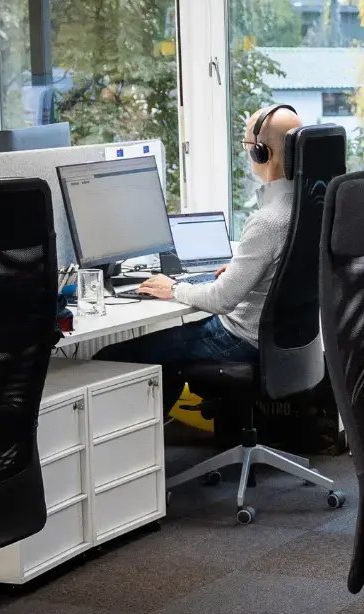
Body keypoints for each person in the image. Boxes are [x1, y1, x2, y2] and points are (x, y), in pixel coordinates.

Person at [94, 103, 300, 414]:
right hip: (282, 344)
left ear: (261, 152)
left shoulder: (268, 220)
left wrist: (172, 289)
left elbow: (221, 300)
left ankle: (136, 457)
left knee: (109, 357)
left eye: (248, 146)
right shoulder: (313, 205)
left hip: (239, 339)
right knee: (166, 352)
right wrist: (246, 271)